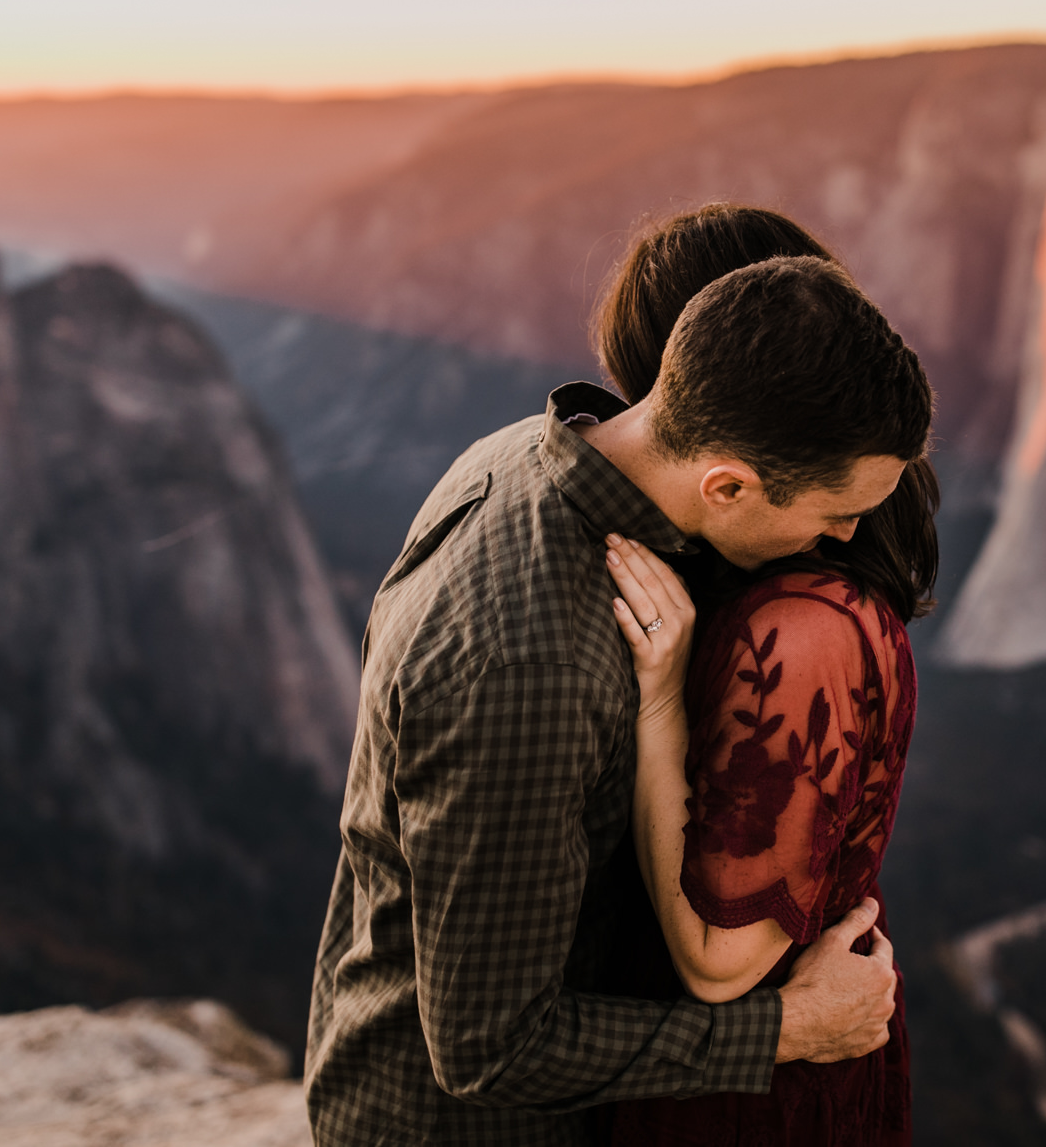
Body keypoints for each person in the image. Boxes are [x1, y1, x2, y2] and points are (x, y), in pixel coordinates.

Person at [304, 243, 935, 1145]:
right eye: (837, 511)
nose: (847, 536)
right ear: (727, 484)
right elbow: (491, 1046)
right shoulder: (534, 665)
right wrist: (789, 1027)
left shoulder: (517, 453)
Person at [589, 204, 937, 1145]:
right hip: (712, 1063)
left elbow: (716, 960)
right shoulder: (768, 582)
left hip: (755, 1093)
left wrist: (660, 702)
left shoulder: (802, 629)